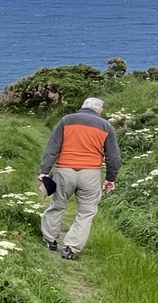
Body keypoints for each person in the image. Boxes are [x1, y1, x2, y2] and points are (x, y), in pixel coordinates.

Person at [38, 97, 120, 260]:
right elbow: (114, 157)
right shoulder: (106, 126)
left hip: (64, 170)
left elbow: (52, 148)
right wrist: (110, 178)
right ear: (100, 110)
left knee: (57, 205)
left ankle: (50, 239)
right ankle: (71, 248)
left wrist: (44, 170)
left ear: (82, 106)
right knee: (86, 212)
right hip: (91, 174)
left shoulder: (66, 120)